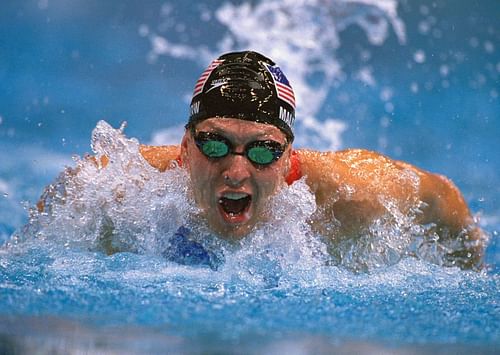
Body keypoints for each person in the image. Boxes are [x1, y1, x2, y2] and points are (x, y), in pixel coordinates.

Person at [37, 50, 484, 269]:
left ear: (289, 156)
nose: (235, 171)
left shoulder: (354, 195)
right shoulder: (117, 191)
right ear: (186, 149)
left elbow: (443, 198)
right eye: (215, 144)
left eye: (263, 150)